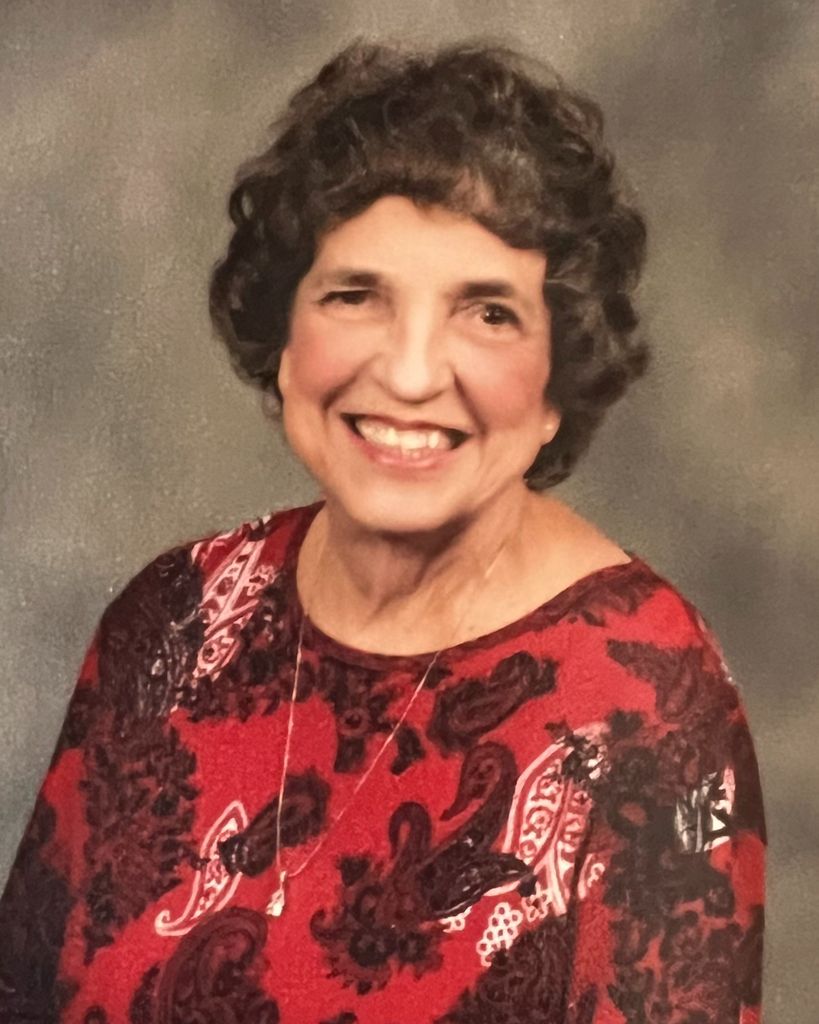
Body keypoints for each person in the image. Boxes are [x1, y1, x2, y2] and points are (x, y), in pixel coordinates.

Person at [0, 39, 766, 1024]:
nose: (408, 373)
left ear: (556, 382)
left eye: (486, 314)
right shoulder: (175, 619)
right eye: (356, 297)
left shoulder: (648, 705)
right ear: (285, 338)